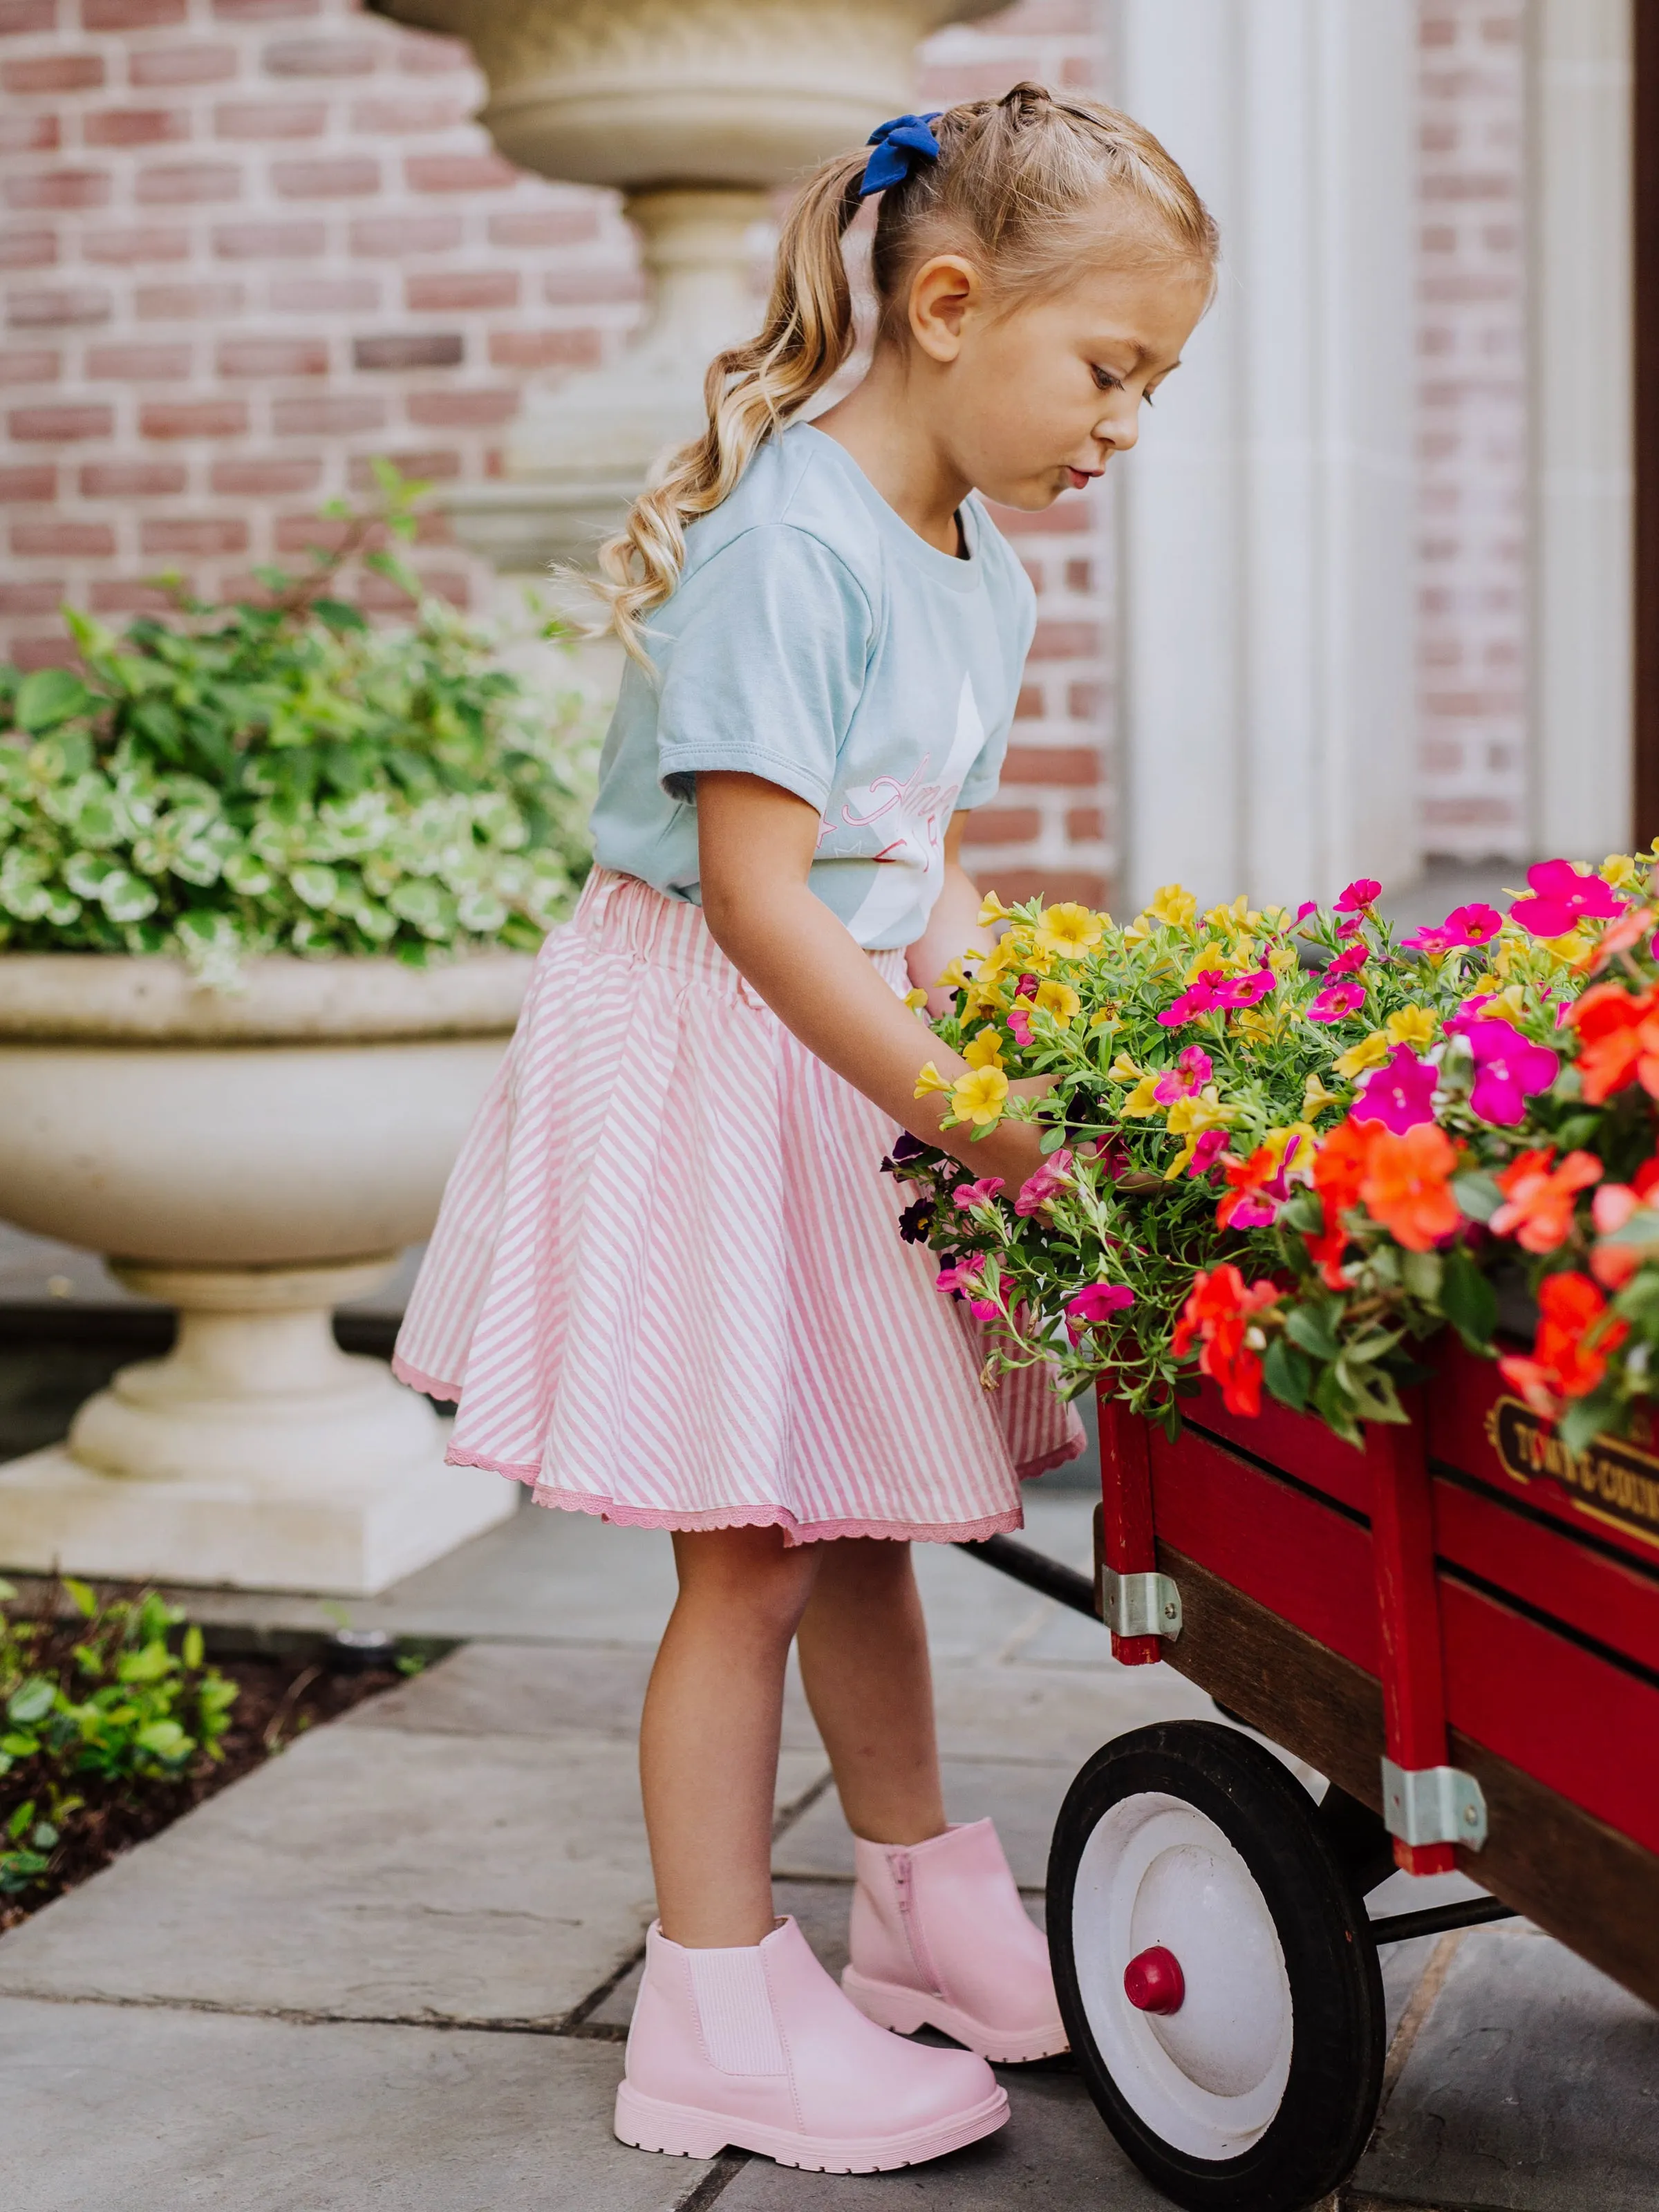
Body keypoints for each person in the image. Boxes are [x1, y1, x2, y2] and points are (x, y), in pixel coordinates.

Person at [395, 82, 1215, 2177]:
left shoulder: (974, 559)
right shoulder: (792, 541)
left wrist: (1028, 993)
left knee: (851, 1505)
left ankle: (925, 1911)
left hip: (828, 1058)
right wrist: (1001, 1135)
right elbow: (758, 898)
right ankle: (717, 2004)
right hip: (708, 1056)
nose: (1127, 420)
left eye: (1158, 383)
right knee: (747, 1548)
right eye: (1109, 367)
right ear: (948, 302)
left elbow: (903, 863)